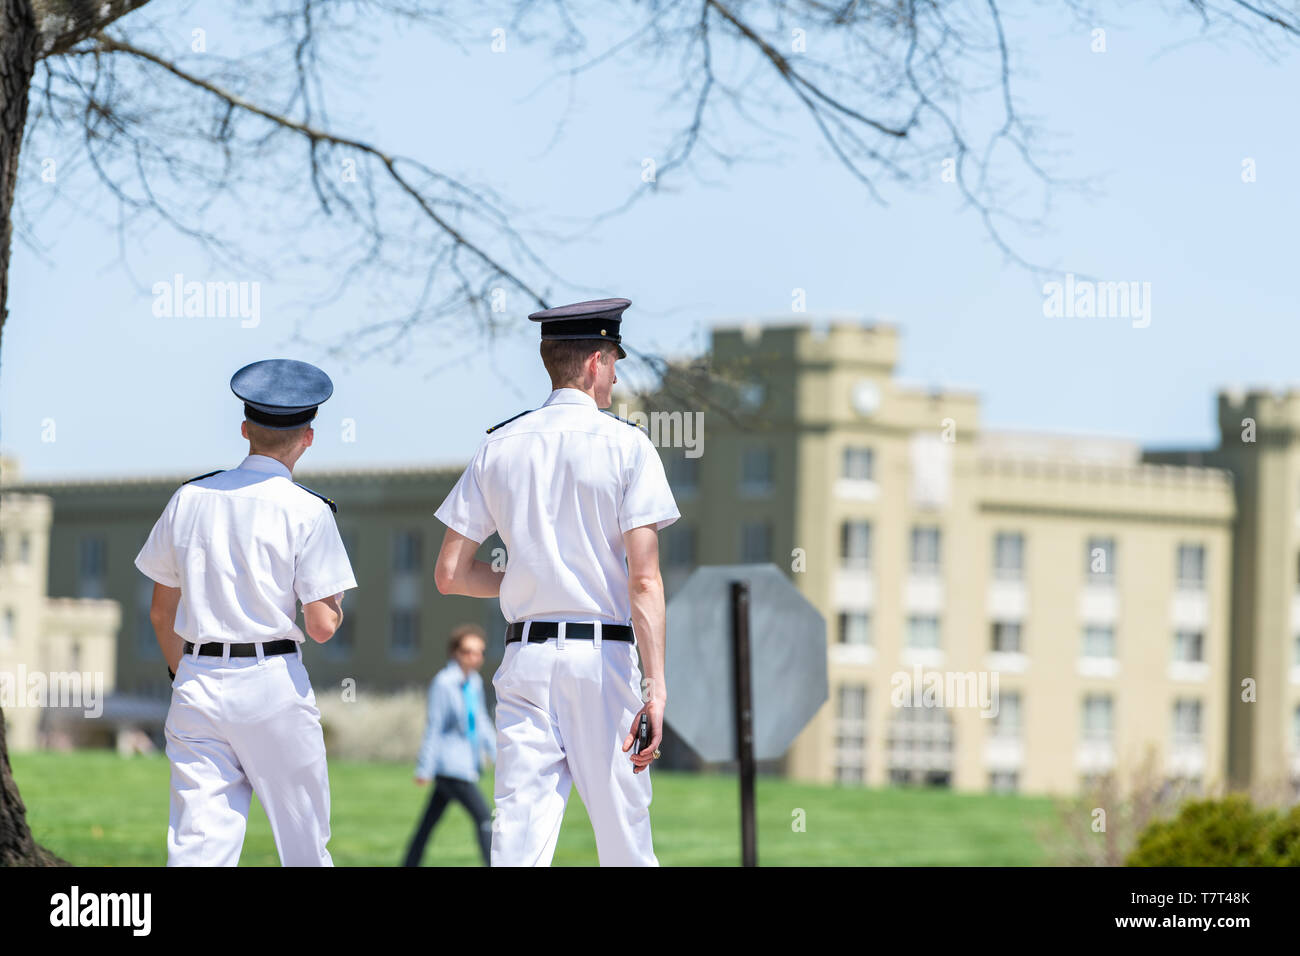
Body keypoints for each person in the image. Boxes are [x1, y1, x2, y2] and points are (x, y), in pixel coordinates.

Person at [433, 297, 679, 867]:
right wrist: (657, 688)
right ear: (596, 362)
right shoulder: (629, 446)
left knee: (517, 845)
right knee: (625, 844)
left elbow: (449, 574)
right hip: (603, 664)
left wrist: (527, 575)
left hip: (527, 662)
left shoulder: (499, 444)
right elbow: (644, 581)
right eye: (615, 361)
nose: (616, 374)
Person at [134, 358, 357, 867]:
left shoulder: (188, 498)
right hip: (270, 683)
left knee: (197, 848)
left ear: (244, 429)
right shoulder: (309, 511)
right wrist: (336, 608)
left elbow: (159, 612)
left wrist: (183, 672)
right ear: (308, 437)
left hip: (197, 679)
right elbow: (321, 627)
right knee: (304, 848)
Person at [403, 623, 497, 866]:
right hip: (451, 767)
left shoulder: (474, 682)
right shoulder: (444, 683)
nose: (474, 657)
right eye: (468, 651)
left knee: (427, 825)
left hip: (465, 765)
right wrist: (424, 768)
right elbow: (433, 726)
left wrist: (499, 755)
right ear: (455, 652)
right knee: (485, 819)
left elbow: (482, 722)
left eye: (479, 652)